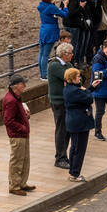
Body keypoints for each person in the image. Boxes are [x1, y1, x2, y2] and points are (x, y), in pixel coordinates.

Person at [0, 75, 34, 196]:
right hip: (17, 135)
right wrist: (23, 127)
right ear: (15, 86)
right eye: (22, 83)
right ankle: (14, 186)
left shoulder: (16, 97)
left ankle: (22, 183)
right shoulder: (11, 100)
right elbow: (8, 121)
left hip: (22, 134)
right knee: (17, 161)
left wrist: (26, 116)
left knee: (24, 159)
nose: (24, 85)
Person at [62, 67, 95, 178]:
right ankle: (74, 173)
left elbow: (84, 95)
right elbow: (89, 99)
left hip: (75, 122)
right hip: (79, 123)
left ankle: (73, 171)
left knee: (74, 147)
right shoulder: (74, 91)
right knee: (79, 149)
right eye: (77, 76)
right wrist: (87, 90)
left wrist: (90, 88)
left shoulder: (71, 89)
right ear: (72, 79)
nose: (79, 78)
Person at [46, 41, 73, 170]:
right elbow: (70, 77)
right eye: (70, 53)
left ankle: (63, 155)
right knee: (61, 129)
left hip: (67, 100)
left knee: (67, 129)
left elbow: (77, 77)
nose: (72, 55)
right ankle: (60, 158)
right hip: (58, 101)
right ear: (63, 54)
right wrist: (70, 79)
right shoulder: (54, 65)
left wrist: (71, 79)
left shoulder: (67, 64)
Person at [37, 0, 67, 80]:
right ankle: (45, 75)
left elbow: (51, 11)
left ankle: (42, 73)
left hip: (43, 30)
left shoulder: (41, 5)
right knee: (46, 54)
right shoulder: (51, 7)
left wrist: (53, 4)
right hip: (51, 31)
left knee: (41, 53)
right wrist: (65, 6)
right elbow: (64, 14)